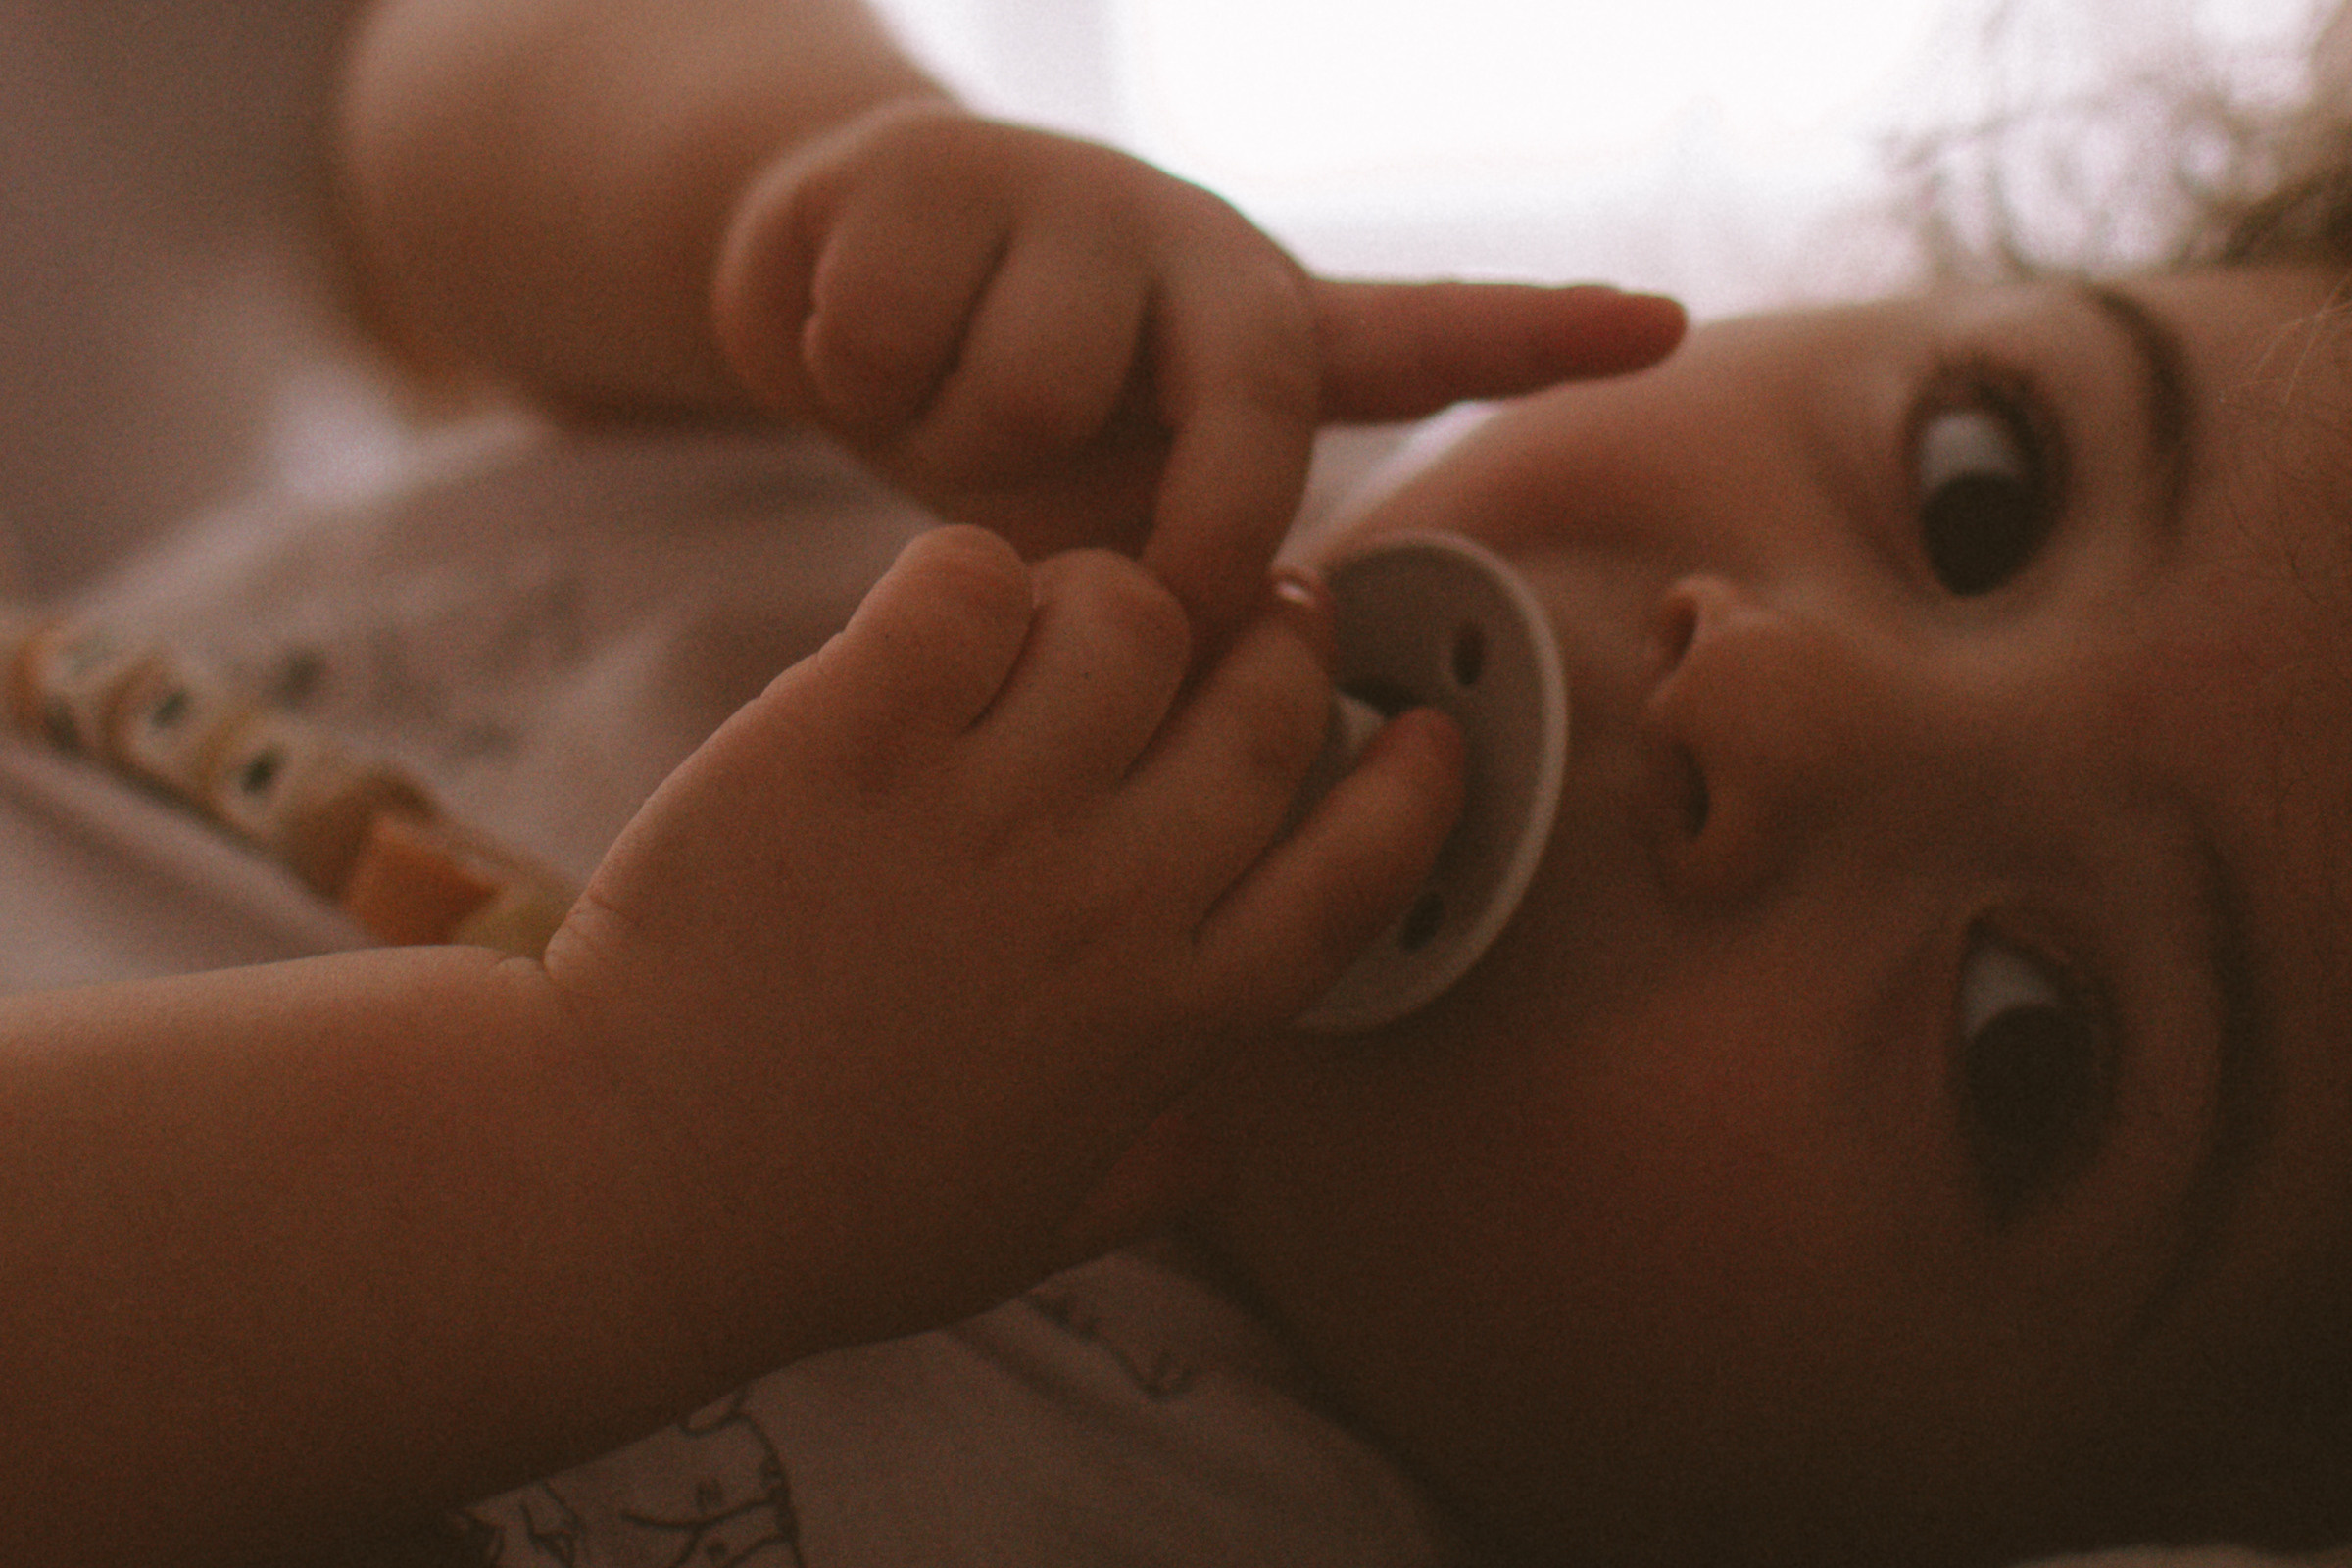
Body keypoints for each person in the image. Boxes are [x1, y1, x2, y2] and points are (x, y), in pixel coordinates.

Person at [0, 1, 1684, 1566]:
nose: (1770, 688)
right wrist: (801, 189)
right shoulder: (1095, 464)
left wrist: (630, 1143)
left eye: (1967, 1046)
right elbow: (414, 100)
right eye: (1956, 495)